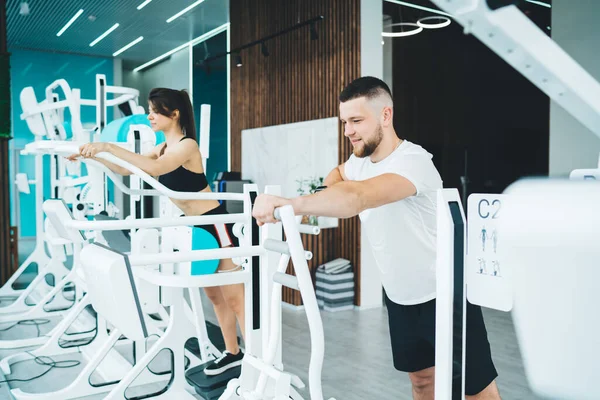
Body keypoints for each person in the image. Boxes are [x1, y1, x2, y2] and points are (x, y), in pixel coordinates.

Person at [252, 77, 501, 399]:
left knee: (475, 390)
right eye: (344, 122)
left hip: (444, 293)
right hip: (399, 296)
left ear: (385, 115)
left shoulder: (413, 163)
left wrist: (292, 204)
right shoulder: (359, 161)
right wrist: (327, 189)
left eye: (357, 121)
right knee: (422, 380)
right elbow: (340, 175)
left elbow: (358, 197)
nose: (348, 131)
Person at [68, 88, 244, 376]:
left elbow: (155, 167)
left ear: (174, 114)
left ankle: (256, 362)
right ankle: (232, 353)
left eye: (155, 110)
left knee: (235, 296)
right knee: (213, 296)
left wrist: (108, 146)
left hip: (214, 223)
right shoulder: (161, 147)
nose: (149, 115)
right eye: (149, 110)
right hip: (192, 228)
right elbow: (127, 170)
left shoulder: (187, 146)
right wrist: (92, 156)